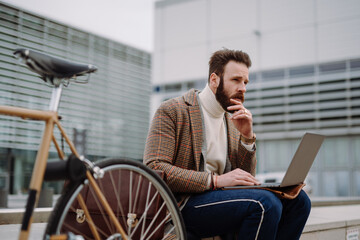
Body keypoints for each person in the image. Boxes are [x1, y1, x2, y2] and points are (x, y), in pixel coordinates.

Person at [143, 48, 311, 240]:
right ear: (214, 80)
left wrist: (247, 137)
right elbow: (154, 168)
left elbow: (245, 179)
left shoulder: (232, 121)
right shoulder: (173, 110)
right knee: (265, 203)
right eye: (236, 80)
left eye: (246, 82)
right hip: (182, 204)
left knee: (300, 200)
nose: (243, 88)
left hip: (220, 201)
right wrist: (214, 180)